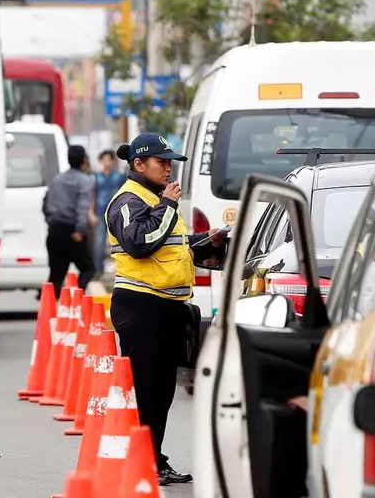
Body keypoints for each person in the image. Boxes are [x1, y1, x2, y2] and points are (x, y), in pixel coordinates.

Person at [105, 132, 228, 486]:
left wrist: (207, 241)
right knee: (145, 392)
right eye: (162, 163)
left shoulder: (156, 198)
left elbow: (169, 247)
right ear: (139, 165)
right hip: (141, 307)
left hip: (167, 307)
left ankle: (154, 459)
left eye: (171, 163)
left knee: (161, 393)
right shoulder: (128, 200)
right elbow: (139, 243)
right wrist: (169, 207)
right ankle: (141, 461)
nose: (169, 170)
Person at [42, 145, 95, 298]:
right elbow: (82, 207)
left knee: (56, 275)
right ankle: (76, 300)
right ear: (84, 160)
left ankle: (51, 311)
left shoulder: (57, 179)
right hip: (72, 231)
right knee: (88, 268)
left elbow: (45, 202)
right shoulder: (83, 181)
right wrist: (79, 230)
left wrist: (50, 221)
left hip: (54, 230)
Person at [94, 150, 126, 276]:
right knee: (99, 243)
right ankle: (98, 270)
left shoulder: (118, 176)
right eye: (104, 159)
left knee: (120, 242)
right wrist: (91, 212)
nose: (107, 162)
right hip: (100, 212)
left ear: (113, 161)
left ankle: (121, 269)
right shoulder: (96, 177)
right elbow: (93, 195)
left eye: (109, 159)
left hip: (115, 213)